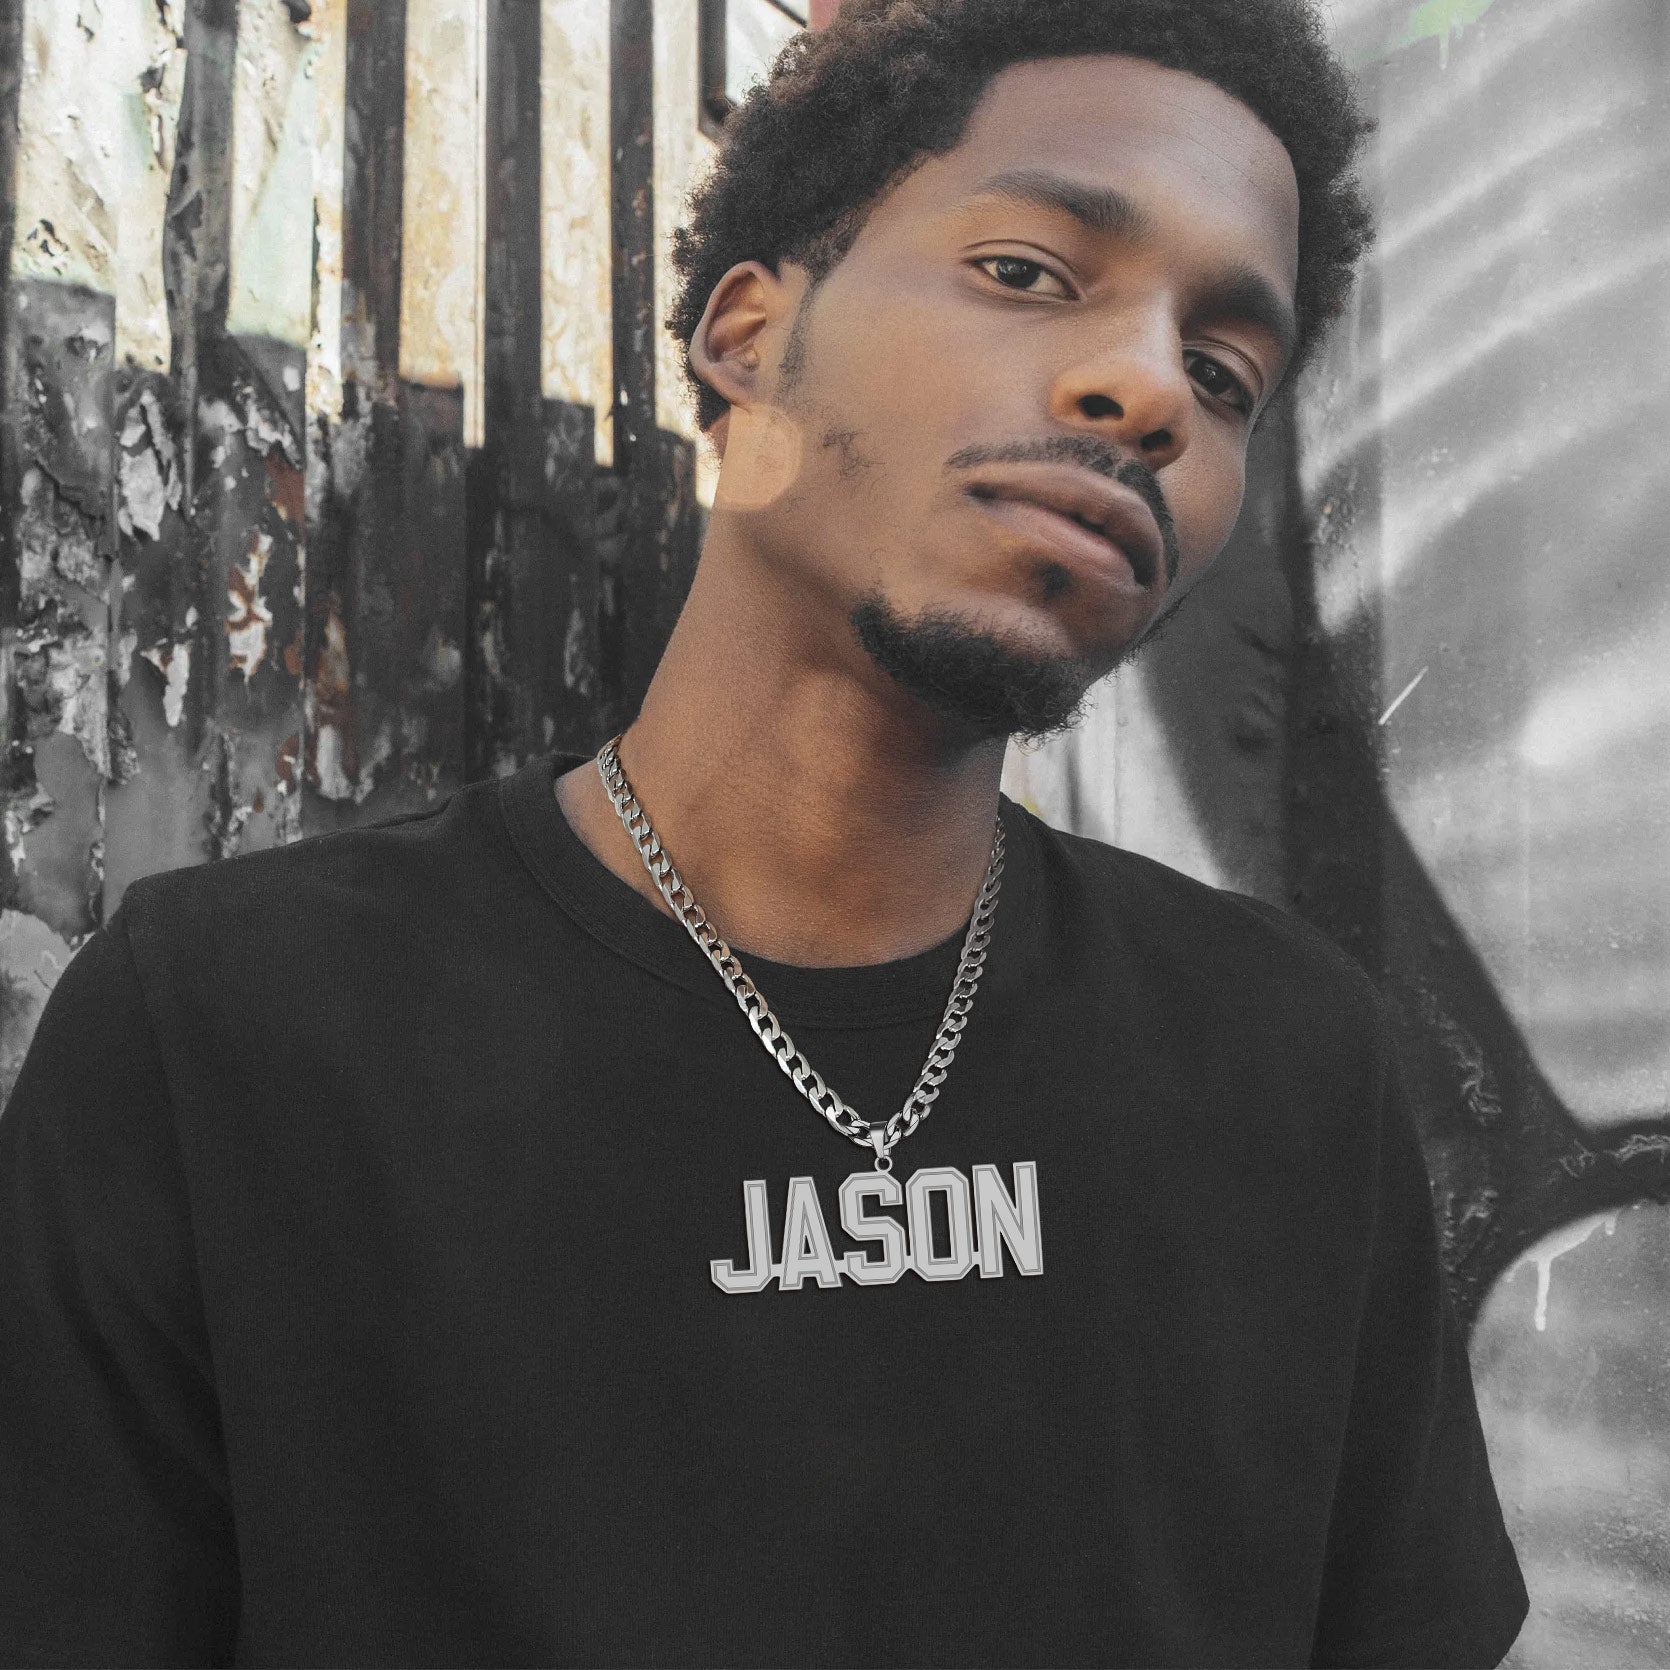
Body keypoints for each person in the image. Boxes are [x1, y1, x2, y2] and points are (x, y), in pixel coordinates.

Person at [0, 0, 1530, 1664]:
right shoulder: (226, 1040)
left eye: (1226, 372)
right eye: (1027, 271)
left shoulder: (1290, 1068)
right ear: (746, 332)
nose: (1147, 387)